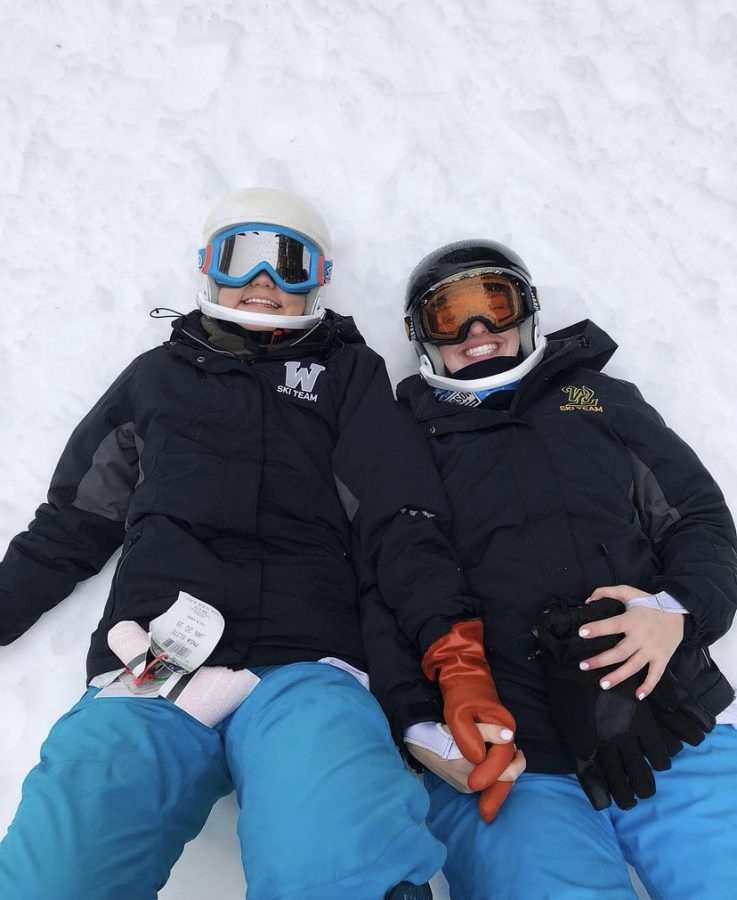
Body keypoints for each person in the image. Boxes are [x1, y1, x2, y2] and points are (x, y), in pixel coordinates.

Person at [0, 190, 500, 900]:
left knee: (335, 856)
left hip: (308, 663)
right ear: (209, 268)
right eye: (242, 257)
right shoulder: (155, 379)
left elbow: (403, 524)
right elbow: (73, 521)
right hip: (153, 660)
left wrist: (454, 661)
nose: (264, 283)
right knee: (60, 864)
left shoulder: (348, 377)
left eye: (289, 263)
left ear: (317, 279)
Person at [392, 239, 737, 899]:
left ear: (528, 314)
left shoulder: (599, 400)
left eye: (496, 304)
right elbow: (386, 583)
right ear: (421, 337)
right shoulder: (401, 436)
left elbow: (697, 518)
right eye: (449, 315)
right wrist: (416, 723)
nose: (477, 331)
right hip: (507, 751)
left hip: (663, 714)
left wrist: (675, 613)